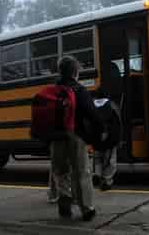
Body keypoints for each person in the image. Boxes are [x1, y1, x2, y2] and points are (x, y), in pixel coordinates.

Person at [47, 55, 105, 221]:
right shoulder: (79, 90)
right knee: (81, 173)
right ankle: (87, 208)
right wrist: (99, 131)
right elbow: (92, 114)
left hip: (56, 137)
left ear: (60, 72)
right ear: (75, 72)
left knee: (60, 171)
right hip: (76, 135)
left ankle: (64, 198)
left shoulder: (52, 91)